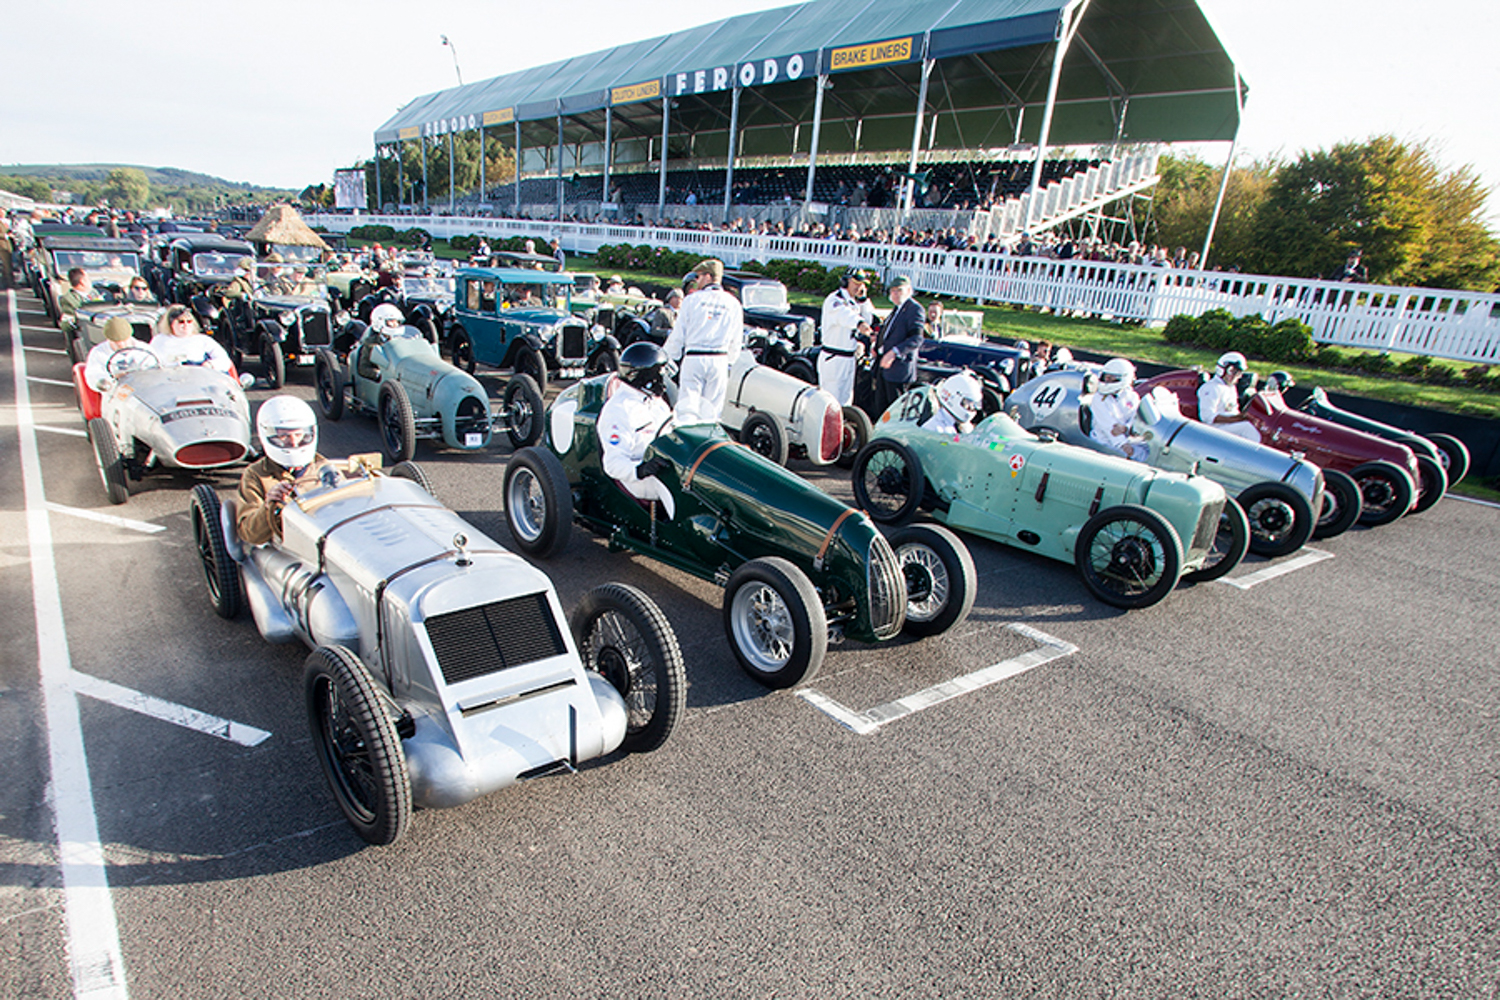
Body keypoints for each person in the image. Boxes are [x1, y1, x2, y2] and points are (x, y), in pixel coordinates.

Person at [236, 396, 340, 546]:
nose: (293, 442)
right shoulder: (255, 475)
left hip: (325, 541)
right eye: (283, 436)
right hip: (285, 546)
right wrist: (269, 506)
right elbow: (250, 535)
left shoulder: (326, 468)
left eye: (298, 434)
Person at [598, 342, 677, 519]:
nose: (664, 382)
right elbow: (612, 463)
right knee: (676, 485)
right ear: (645, 377)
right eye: (659, 375)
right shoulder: (618, 410)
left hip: (664, 464)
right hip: (638, 477)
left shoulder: (655, 402)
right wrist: (641, 469)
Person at [663, 258, 742, 424]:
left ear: (708, 276)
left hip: (694, 357)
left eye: (698, 277)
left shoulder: (692, 300)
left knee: (687, 409)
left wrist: (668, 356)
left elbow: (679, 334)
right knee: (712, 413)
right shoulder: (733, 303)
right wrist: (730, 361)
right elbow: (736, 339)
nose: (696, 282)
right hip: (719, 359)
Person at [817, 267, 874, 406]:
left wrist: (864, 300)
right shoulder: (835, 300)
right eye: (856, 283)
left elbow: (868, 319)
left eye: (862, 284)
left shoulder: (854, 302)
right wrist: (860, 324)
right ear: (845, 282)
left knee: (846, 400)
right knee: (830, 401)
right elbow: (845, 316)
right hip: (834, 358)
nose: (859, 287)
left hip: (849, 357)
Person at [876, 276, 926, 413]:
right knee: (882, 408)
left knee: (895, 410)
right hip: (885, 368)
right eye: (893, 291)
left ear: (909, 290)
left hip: (899, 369)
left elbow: (916, 338)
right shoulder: (897, 309)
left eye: (899, 290)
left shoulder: (914, 309)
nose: (896, 294)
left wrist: (894, 352)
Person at [1090, 358, 1148, 461]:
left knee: (1146, 452)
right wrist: (1123, 444)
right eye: (1106, 377)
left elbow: (1134, 418)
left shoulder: (1132, 396)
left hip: (1127, 438)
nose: (1107, 380)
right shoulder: (1098, 398)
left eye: (1111, 378)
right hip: (1103, 442)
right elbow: (1109, 427)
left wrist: (1126, 428)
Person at [149, 304, 234, 373]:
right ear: (171, 324)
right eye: (181, 322)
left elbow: (224, 360)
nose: (186, 325)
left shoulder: (203, 340)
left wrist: (209, 365)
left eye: (189, 321)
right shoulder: (159, 340)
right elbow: (149, 362)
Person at [1197, 351, 1260, 442]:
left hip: (1227, 426)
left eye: (1238, 373)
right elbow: (1206, 417)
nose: (1236, 376)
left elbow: (1233, 410)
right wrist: (1234, 419)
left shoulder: (1231, 388)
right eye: (1232, 371)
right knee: (1247, 428)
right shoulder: (1212, 387)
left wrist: (1243, 417)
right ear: (1222, 369)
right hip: (1213, 429)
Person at [84, 317, 153, 393]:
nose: (121, 345)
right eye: (116, 342)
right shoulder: (98, 353)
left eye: (125, 341)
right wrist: (111, 379)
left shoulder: (144, 349)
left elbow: (155, 370)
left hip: (144, 390)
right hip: (115, 393)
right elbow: (94, 377)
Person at [921, 371, 982, 436]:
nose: (972, 408)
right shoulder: (934, 429)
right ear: (954, 398)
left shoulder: (966, 428)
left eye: (974, 405)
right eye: (968, 404)